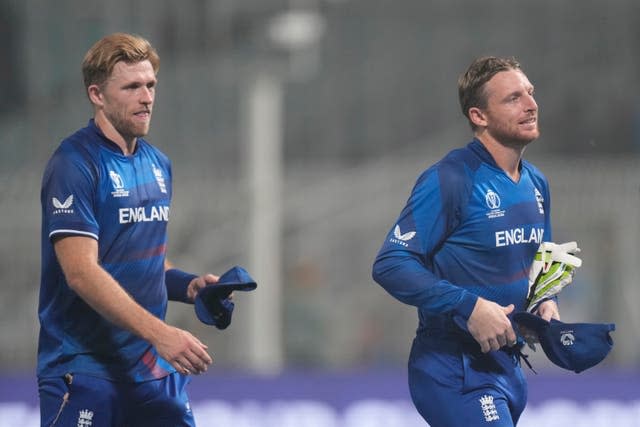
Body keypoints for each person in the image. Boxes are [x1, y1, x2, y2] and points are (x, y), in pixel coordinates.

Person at [38, 33, 219, 426]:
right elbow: (82, 273)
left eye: (151, 85)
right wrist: (162, 334)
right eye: (132, 87)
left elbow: (134, 258)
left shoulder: (158, 163)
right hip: (85, 370)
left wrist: (189, 286)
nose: (147, 97)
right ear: (97, 95)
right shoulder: (74, 164)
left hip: (153, 374)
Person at [372, 56, 558, 426]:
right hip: (453, 369)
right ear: (479, 116)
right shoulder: (451, 179)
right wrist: (470, 306)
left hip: (508, 367)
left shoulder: (536, 182)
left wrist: (546, 299)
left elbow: (541, 255)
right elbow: (391, 263)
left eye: (530, 93)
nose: (531, 104)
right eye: (513, 98)